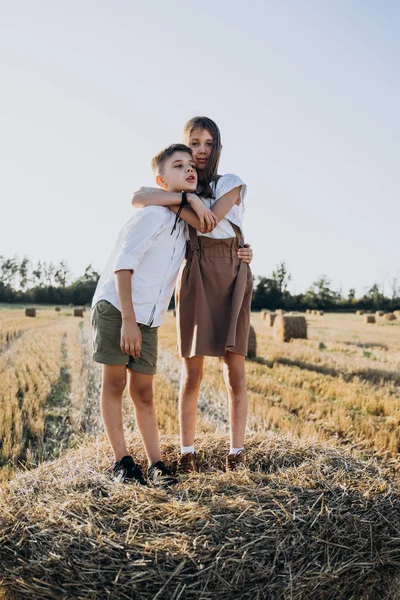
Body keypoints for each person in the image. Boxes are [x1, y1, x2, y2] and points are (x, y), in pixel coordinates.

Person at [92, 143, 251, 485]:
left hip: (148, 318)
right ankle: (122, 462)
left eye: (191, 165)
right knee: (116, 384)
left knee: (145, 393)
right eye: (179, 165)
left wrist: (242, 250)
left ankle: (156, 465)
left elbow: (214, 233)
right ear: (162, 180)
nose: (190, 168)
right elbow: (123, 267)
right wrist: (129, 322)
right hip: (119, 309)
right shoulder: (151, 215)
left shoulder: (183, 223)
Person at [132, 117, 253, 472]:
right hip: (196, 272)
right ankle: (187, 452)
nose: (201, 151)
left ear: (217, 147)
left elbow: (208, 222)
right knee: (192, 371)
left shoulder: (230, 183)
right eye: (194, 143)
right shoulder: (182, 182)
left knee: (235, 370)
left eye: (208, 143)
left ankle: (237, 452)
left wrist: (182, 201)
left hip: (232, 273)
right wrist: (186, 195)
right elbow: (138, 197)